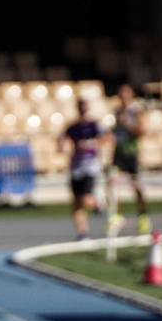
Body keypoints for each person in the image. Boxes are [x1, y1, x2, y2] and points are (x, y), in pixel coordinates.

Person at [62, 99, 107, 241]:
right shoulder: (73, 127)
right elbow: (63, 140)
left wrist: (91, 144)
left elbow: (106, 138)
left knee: (85, 199)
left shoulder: (94, 126)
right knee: (76, 202)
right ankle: (83, 232)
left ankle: (98, 201)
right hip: (76, 166)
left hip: (89, 166)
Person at [109, 83, 151, 235]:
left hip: (131, 152)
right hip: (119, 151)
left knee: (135, 185)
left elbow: (142, 131)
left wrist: (127, 123)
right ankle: (116, 213)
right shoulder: (118, 110)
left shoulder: (136, 110)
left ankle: (143, 214)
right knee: (112, 182)